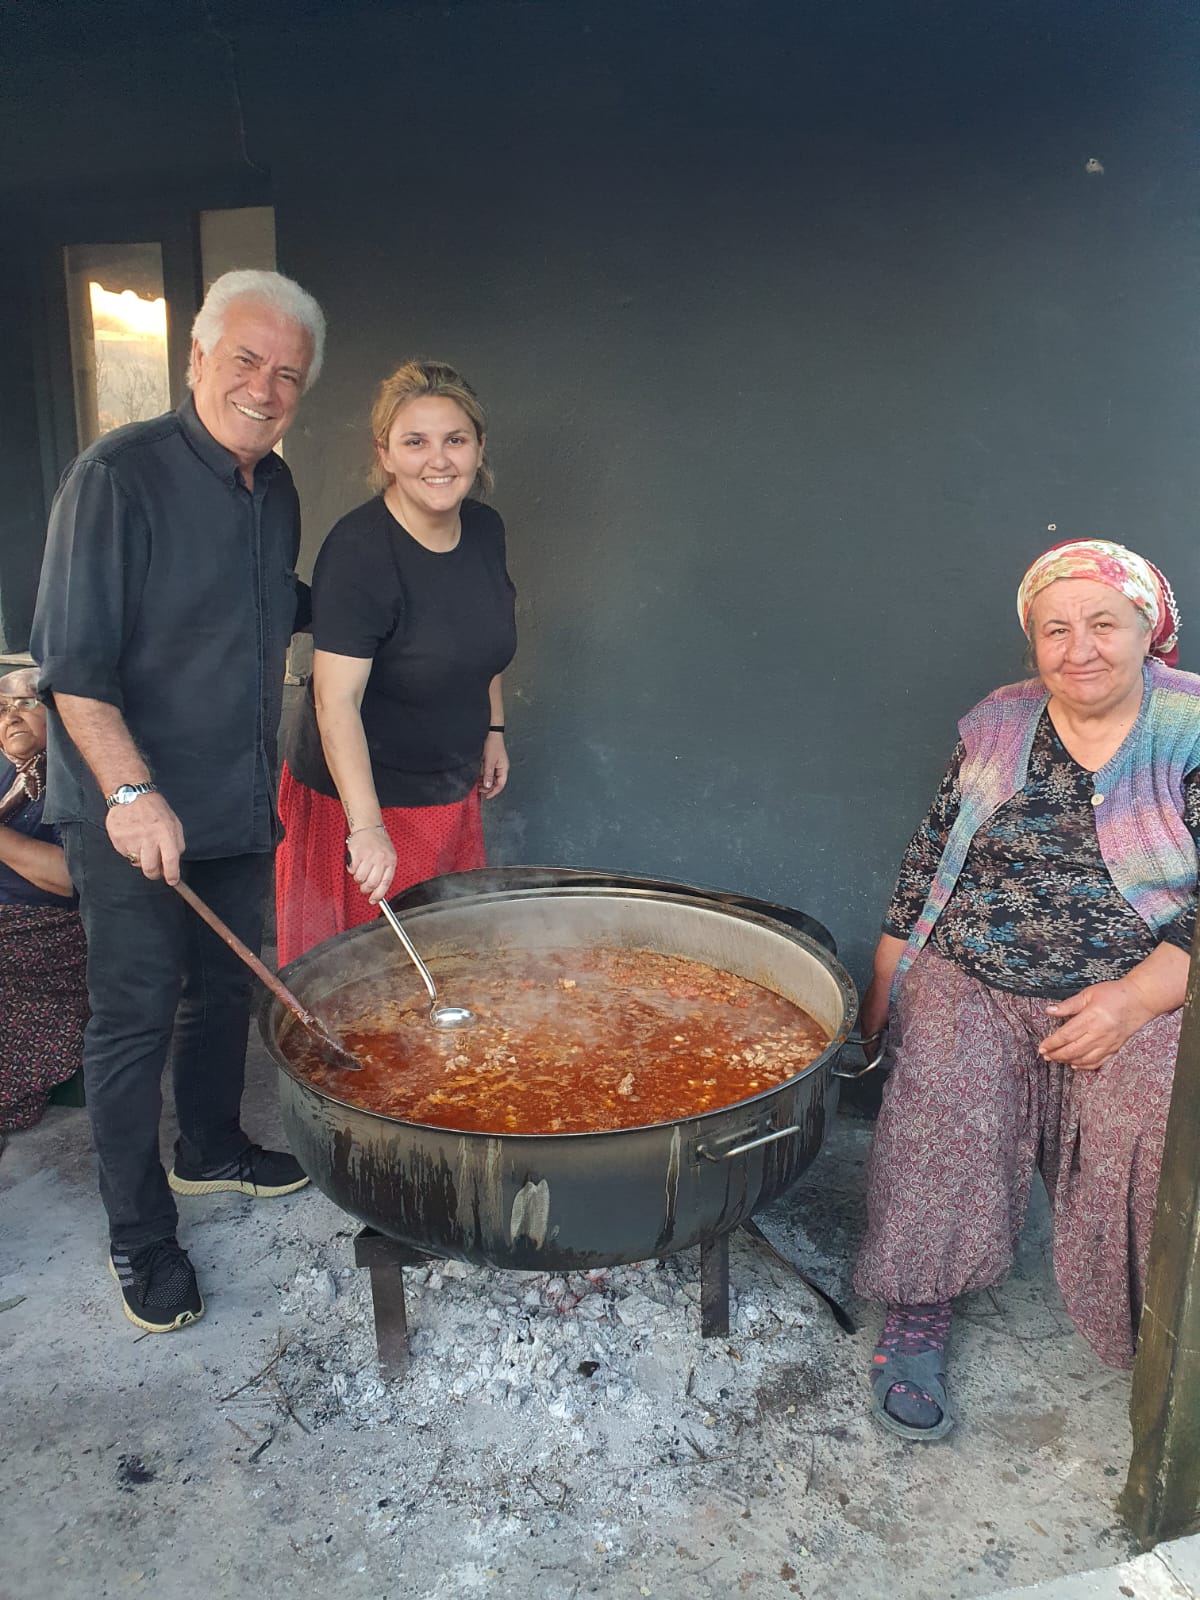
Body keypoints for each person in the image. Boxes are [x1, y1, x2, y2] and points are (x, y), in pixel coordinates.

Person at [30, 268, 326, 1334]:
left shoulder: (278, 487)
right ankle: (140, 1234)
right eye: (246, 359)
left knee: (221, 994)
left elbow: (268, 605)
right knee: (134, 1018)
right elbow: (72, 668)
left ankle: (210, 1149)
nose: (265, 385)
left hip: (236, 800)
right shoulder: (118, 476)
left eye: (288, 373)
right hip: (131, 808)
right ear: (195, 357)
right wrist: (131, 790)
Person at [853, 538, 1198, 1441]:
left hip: (1143, 982)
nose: (1078, 648)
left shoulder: (1193, 728)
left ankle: (1163, 1335)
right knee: (938, 1085)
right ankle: (920, 1301)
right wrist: (891, 969)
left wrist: (1135, 999)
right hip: (977, 969)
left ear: (1146, 628)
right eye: (1055, 629)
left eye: (1101, 624)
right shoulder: (998, 723)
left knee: (1154, 1114)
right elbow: (935, 851)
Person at [275, 360, 517, 965]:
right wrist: (367, 829)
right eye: (415, 442)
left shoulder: (485, 530)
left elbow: (484, 641)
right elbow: (335, 701)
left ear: (478, 447)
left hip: (449, 790)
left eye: (454, 440)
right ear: (385, 453)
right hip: (360, 803)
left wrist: (493, 729)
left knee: (447, 962)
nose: (438, 460)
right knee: (361, 984)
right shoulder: (360, 553)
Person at [0, 668, 88, 1135]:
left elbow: (71, 879)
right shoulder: (6, 774)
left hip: (45, 928)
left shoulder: (74, 776)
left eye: (25, 703)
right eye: (1, 709)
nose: (11, 715)